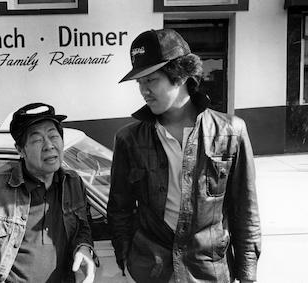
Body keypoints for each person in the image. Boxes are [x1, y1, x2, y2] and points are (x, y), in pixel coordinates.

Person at [107, 29, 261, 283]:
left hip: (209, 272)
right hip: (150, 272)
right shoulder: (129, 139)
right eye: (140, 83)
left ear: (178, 76)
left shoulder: (230, 131)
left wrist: (247, 276)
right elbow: (119, 209)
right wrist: (126, 259)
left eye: (151, 80)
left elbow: (246, 211)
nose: (144, 91)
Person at [0, 102, 98, 283]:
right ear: (20, 150)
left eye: (53, 136)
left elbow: (82, 228)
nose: (49, 145)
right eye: (37, 139)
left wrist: (84, 247)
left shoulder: (73, 184)